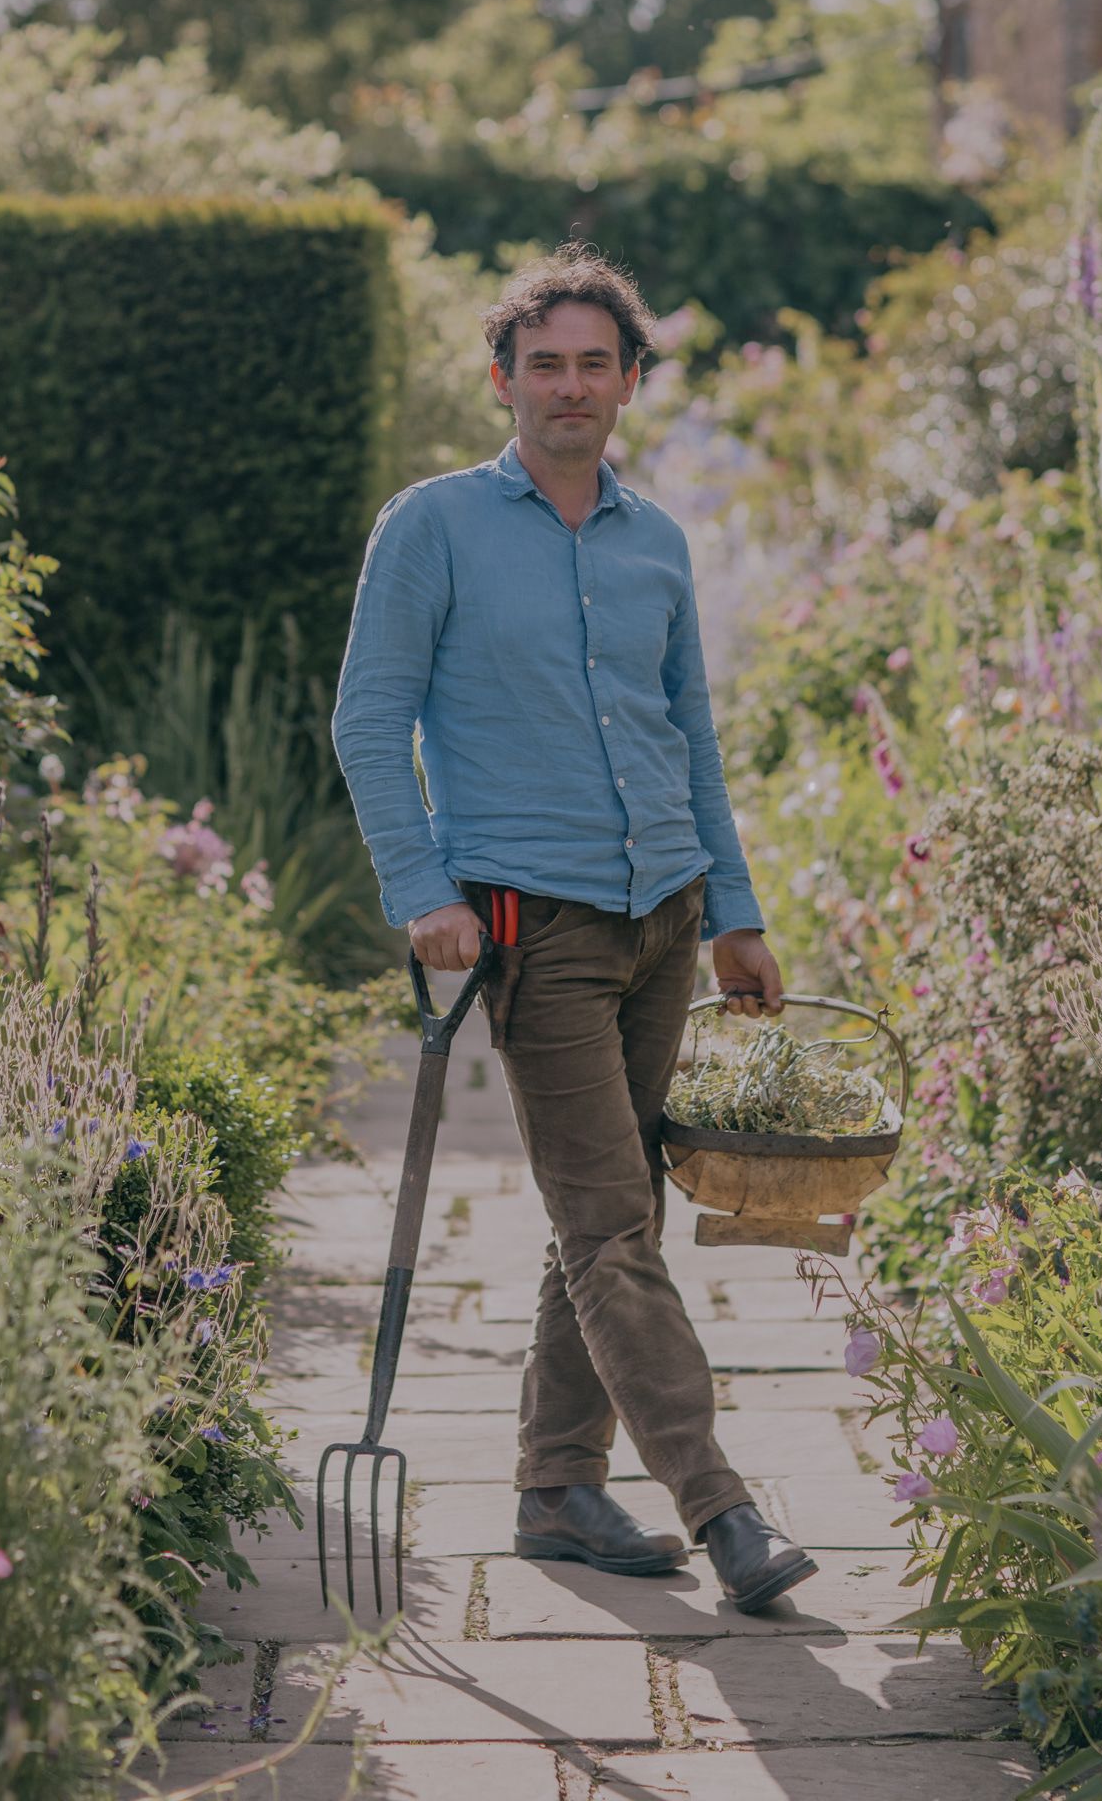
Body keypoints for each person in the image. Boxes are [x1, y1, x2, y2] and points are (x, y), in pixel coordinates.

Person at [331, 243, 818, 1612]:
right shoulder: (432, 527)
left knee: (602, 1213)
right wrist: (419, 891)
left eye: (595, 363)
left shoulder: (655, 539)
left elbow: (693, 736)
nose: (569, 386)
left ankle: (556, 1485)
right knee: (613, 1225)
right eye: (543, 362)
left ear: (630, 382)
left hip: (663, 912)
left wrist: (736, 910)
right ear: (502, 378)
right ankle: (721, 1510)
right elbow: (369, 720)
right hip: (528, 925)